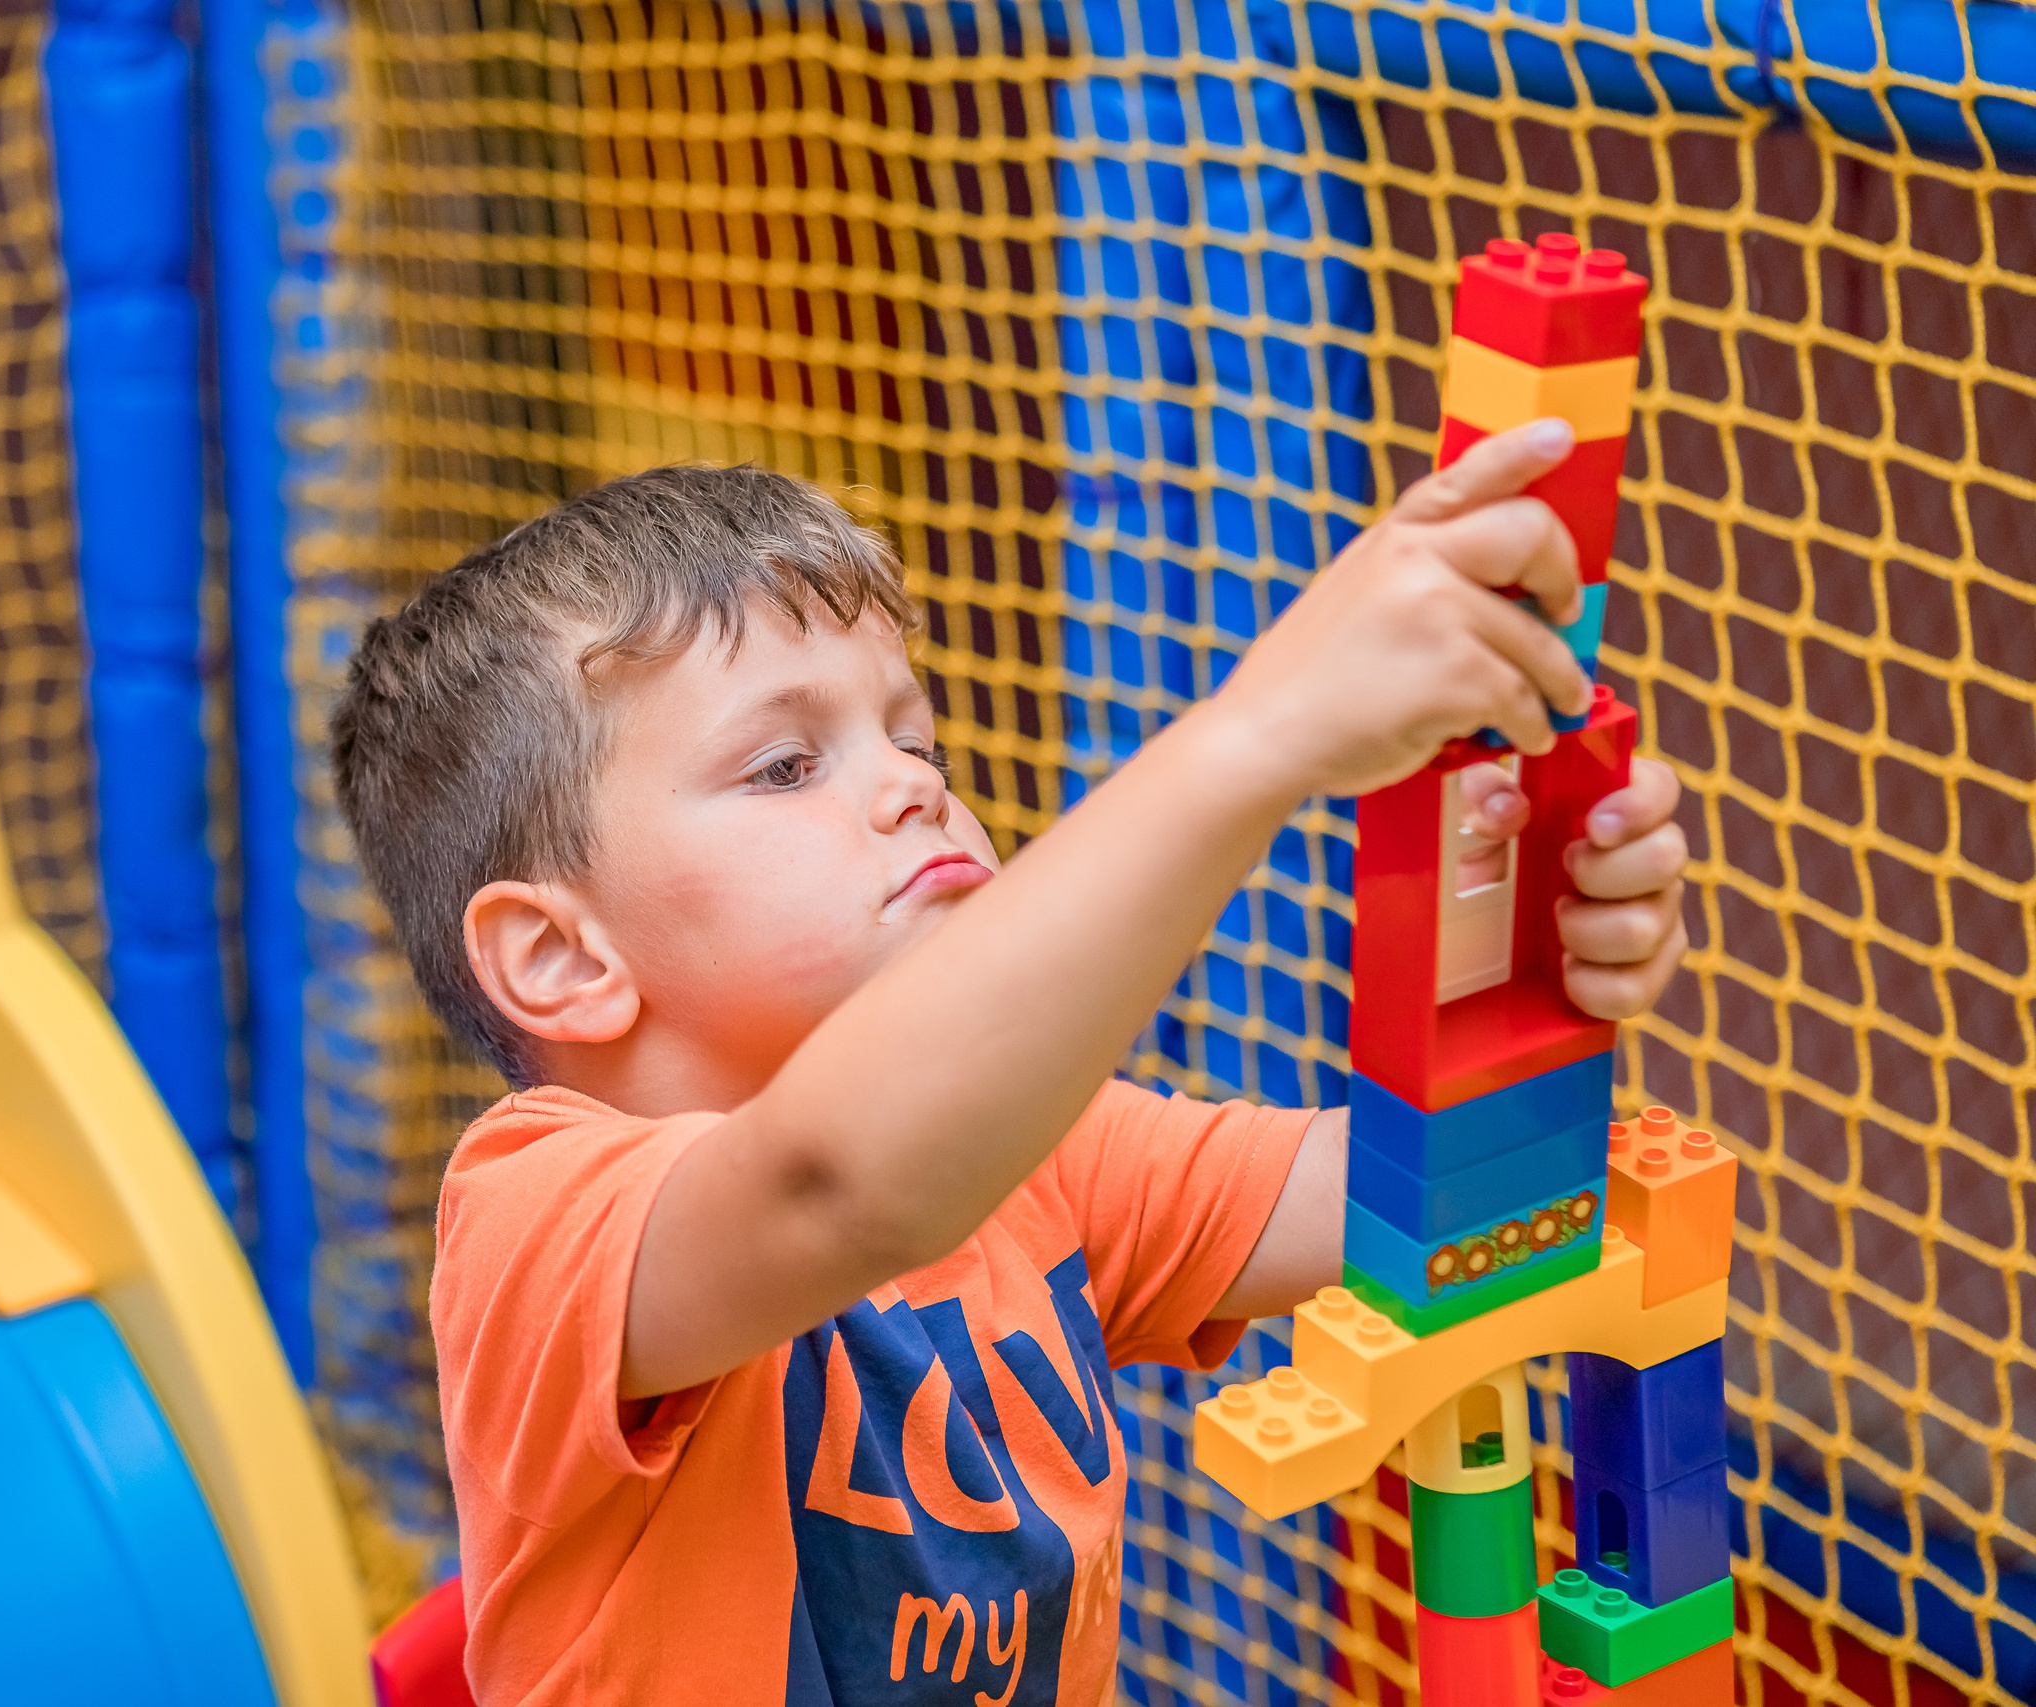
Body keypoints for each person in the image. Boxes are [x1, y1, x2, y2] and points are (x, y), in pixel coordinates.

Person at [328, 419, 1690, 1706]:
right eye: (786, 765)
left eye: (915, 738)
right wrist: (1256, 734)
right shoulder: (534, 1218)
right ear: (563, 960)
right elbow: (835, 1182)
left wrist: (1517, 974)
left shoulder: (1043, 1156)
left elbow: (1441, 1190)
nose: (915, 783)